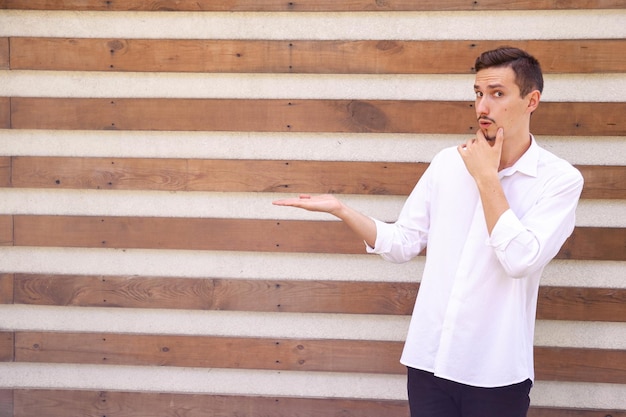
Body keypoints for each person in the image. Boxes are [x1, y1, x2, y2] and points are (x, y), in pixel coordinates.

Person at [272, 47, 584, 417]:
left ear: (531, 100)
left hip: (495, 371)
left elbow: (519, 260)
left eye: (497, 94)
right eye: (478, 94)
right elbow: (403, 243)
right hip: (429, 361)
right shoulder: (447, 163)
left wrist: (486, 178)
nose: (483, 107)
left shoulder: (560, 180)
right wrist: (342, 210)